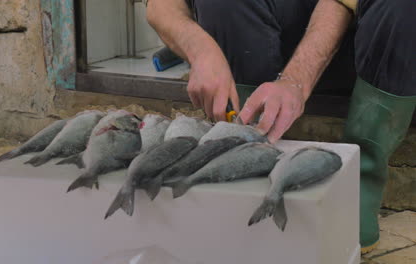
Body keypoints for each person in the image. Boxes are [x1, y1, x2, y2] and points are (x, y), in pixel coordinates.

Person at [146, 0, 416, 253]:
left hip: (363, 43)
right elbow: (162, 6)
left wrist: (295, 81)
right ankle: (246, 161)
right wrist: (201, 51)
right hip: (264, 34)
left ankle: (359, 180)